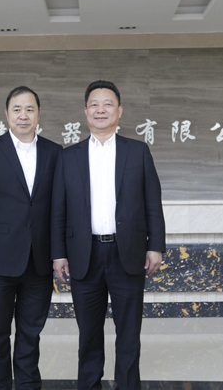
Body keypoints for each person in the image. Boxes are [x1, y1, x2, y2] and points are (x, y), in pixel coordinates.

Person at [51, 80, 166, 390]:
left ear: (120, 111)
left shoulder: (137, 151)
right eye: (94, 104)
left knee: (129, 332)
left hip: (127, 252)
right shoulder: (68, 156)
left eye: (108, 104)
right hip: (83, 254)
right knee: (88, 333)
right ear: (85, 111)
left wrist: (155, 246)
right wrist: (59, 254)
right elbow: (58, 209)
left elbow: (152, 202)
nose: (100, 109)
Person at [0, 86, 62, 390]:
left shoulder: (55, 152)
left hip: (39, 261)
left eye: (29, 109)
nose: (23, 115)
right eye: (17, 109)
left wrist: (59, 253)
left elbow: (60, 208)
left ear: (39, 114)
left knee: (30, 336)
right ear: (7, 114)